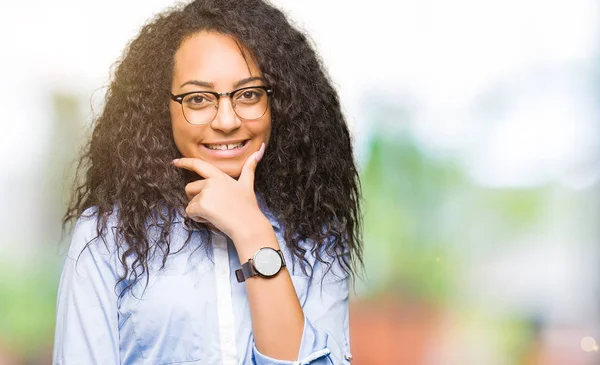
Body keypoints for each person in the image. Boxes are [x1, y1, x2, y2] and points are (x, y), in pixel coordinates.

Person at [53, 0, 363, 364]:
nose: (227, 120)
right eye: (198, 98)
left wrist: (253, 233)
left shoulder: (317, 235)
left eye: (249, 94)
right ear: (161, 108)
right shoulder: (107, 236)